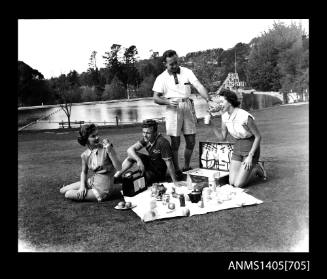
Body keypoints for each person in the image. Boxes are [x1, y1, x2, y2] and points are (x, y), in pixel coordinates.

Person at [152, 49, 216, 178]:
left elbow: (198, 86)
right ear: (165, 63)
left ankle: (186, 167)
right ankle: (177, 170)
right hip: (172, 108)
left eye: (176, 62)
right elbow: (155, 98)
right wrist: (167, 102)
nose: (175, 66)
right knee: (175, 142)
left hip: (187, 105)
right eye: (171, 64)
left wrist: (208, 99)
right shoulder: (161, 78)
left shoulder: (187, 72)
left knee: (191, 140)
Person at [209, 89, 267, 187]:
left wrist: (250, 156)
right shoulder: (224, 116)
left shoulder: (244, 116)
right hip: (238, 147)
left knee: (239, 184)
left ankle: (257, 168)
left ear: (230, 102)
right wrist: (211, 124)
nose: (220, 104)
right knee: (232, 182)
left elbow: (258, 136)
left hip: (251, 146)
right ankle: (249, 169)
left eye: (222, 102)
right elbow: (222, 138)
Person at [60, 124, 122, 202]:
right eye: (93, 136)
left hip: (102, 190)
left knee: (68, 194)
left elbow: (119, 167)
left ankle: (117, 188)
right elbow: (84, 172)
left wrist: (110, 151)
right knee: (62, 190)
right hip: (92, 181)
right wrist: (82, 186)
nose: (97, 137)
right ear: (86, 139)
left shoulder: (106, 148)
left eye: (97, 134)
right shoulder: (85, 155)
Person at [114, 119, 179, 185]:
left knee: (136, 182)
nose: (144, 135)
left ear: (155, 133)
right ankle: (116, 176)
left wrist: (175, 181)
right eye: (143, 132)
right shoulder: (146, 139)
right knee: (132, 156)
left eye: (148, 133)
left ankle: (131, 180)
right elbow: (129, 150)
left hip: (158, 173)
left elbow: (169, 163)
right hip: (150, 164)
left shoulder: (163, 142)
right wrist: (138, 160)